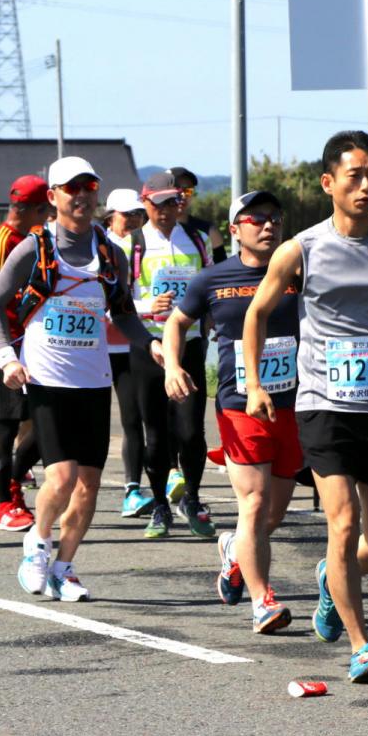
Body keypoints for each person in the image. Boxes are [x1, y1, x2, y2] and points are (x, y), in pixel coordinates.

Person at [243, 130, 368, 682]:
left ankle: (332, 582)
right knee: (343, 522)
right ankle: (362, 646)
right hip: (323, 405)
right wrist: (258, 385)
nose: (365, 185)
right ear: (329, 183)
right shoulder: (300, 247)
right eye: (354, 175)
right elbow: (256, 314)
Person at [0, 156, 162, 601]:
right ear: (53, 197)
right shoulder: (34, 248)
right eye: (71, 188)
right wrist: (8, 358)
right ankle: (36, 545)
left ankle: (64, 566)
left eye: (88, 186)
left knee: (89, 484)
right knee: (61, 478)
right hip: (45, 378)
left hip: (94, 381)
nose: (81, 195)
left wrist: (151, 343)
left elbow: (122, 312)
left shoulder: (111, 253)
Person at [163, 190, 299, 634]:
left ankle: (232, 549)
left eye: (274, 218)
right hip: (239, 404)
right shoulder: (212, 278)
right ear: (236, 228)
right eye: (255, 219)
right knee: (255, 504)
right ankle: (263, 601)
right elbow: (177, 322)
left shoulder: (298, 272)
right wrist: (172, 365)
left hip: (293, 404)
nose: (267, 226)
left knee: (271, 516)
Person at [130, 171, 216, 539]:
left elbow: (213, 286)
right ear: (145, 203)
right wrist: (149, 304)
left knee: (191, 430)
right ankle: (160, 507)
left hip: (190, 344)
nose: (167, 209)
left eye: (174, 201)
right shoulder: (130, 244)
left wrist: (209, 324)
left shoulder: (197, 240)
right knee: (156, 435)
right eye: (159, 202)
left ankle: (192, 499)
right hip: (149, 346)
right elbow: (113, 303)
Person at [0, 175, 50, 532]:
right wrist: (7, 350)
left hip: (31, 338)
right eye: (47, 208)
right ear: (35, 208)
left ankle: (11, 481)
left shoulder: (36, 239)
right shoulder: (3, 240)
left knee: (47, 419)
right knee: (6, 424)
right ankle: (5, 502)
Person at [102, 188, 151, 517]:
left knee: (134, 419)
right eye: (126, 215)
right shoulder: (97, 246)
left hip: (128, 343)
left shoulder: (145, 246)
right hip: (92, 347)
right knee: (86, 422)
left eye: (138, 214)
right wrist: (147, 307)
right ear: (110, 218)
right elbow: (108, 306)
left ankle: (132, 489)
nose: (133, 220)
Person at [169, 166, 227, 263]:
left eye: (188, 191)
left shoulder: (208, 232)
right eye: (177, 189)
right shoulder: (147, 231)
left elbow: (223, 272)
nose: (183, 195)